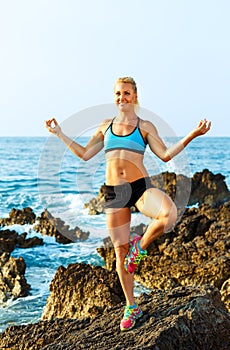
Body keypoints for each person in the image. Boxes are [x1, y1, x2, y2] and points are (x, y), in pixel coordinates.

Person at [45, 76, 211, 331]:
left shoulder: (145, 126)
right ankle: (131, 306)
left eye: (126, 93)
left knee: (168, 214)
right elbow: (85, 154)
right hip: (114, 194)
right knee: (119, 252)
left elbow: (165, 155)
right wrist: (59, 133)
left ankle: (140, 247)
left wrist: (193, 134)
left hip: (140, 187)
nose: (122, 98)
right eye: (118, 94)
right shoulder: (105, 126)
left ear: (135, 96)